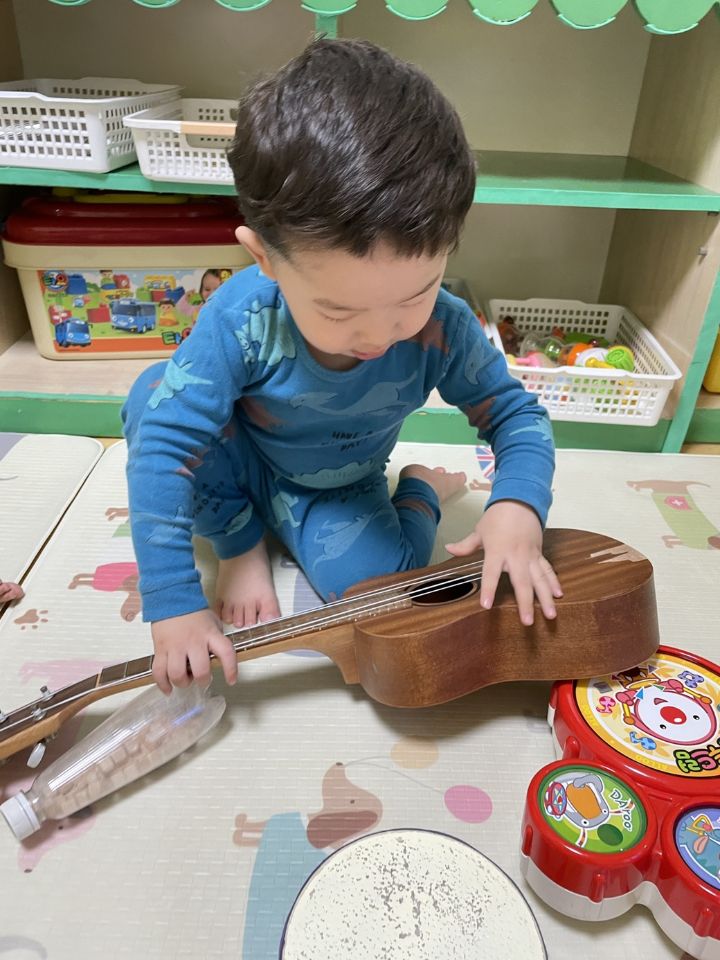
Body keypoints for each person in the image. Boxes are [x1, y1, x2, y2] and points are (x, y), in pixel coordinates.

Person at [123, 38, 562, 694]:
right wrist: (174, 603)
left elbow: (517, 416)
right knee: (154, 398)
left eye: (414, 296)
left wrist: (518, 508)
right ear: (264, 259)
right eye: (338, 310)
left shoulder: (444, 327)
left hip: (337, 486)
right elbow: (163, 450)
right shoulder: (242, 318)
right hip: (238, 458)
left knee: (382, 597)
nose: (380, 335)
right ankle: (240, 539)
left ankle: (420, 486)